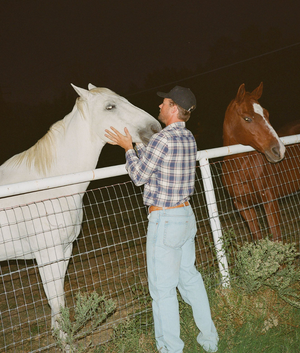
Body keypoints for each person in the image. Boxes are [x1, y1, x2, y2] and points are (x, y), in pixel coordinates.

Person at [105, 86, 218, 353]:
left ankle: (170, 349)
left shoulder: (162, 139)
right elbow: (159, 165)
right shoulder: (188, 138)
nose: (159, 108)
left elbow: (139, 176)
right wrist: (140, 147)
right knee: (190, 278)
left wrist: (127, 149)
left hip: (165, 220)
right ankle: (210, 340)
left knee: (163, 291)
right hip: (185, 215)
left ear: (174, 108)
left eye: (164, 103)